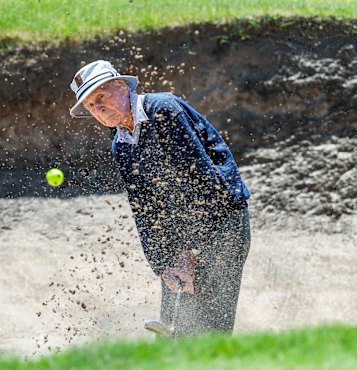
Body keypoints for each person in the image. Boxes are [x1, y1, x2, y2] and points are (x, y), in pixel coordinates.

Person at [69, 60, 251, 335]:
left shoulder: (164, 109)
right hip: (187, 233)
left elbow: (203, 182)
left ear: (121, 86)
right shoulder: (121, 145)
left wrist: (191, 248)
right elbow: (145, 210)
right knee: (172, 327)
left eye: (102, 96)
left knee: (209, 329)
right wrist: (164, 263)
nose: (99, 109)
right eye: (92, 106)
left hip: (223, 224)